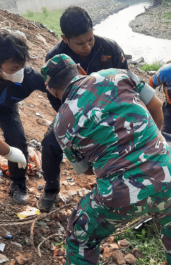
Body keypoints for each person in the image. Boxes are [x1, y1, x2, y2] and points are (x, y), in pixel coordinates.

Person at [40, 54, 171, 265]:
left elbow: (84, 169)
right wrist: (148, 145)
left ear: (50, 89)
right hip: (168, 177)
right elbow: (157, 107)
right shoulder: (117, 75)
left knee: (80, 236)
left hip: (120, 194)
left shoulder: (60, 124)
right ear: (80, 69)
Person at [39, 6, 130, 211]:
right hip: (74, 113)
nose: (87, 46)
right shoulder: (56, 57)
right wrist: (77, 120)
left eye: (90, 39)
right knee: (50, 143)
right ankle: (51, 188)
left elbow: (125, 83)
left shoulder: (109, 48)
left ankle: (124, 182)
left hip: (112, 109)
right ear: (65, 38)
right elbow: (55, 97)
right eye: (80, 44)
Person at [0, 31, 47, 203]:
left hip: (5, 108)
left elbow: (58, 91)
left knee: (17, 139)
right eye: (13, 69)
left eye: (22, 65)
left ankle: (18, 183)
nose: (20, 72)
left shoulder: (31, 78)